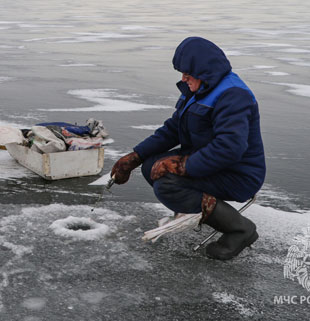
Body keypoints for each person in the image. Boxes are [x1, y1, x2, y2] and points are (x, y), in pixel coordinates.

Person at [110, 37, 265, 260]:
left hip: (238, 173)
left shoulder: (233, 96)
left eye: (188, 74)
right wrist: (136, 156)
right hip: (209, 163)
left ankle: (240, 230)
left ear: (204, 71)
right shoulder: (198, 89)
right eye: (182, 72)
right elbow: (174, 128)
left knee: (167, 185)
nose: (183, 78)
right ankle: (200, 207)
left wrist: (181, 166)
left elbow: (229, 148)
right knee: (150, 167)